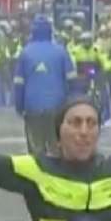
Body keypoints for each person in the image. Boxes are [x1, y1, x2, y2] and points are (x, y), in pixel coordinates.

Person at [14, 16, 74, 156]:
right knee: (57, 150)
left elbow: (19, 84)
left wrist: (19, 106)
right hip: (58, 108)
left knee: (36, 152)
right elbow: (72, 81)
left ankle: (37, 176)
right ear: (50, 32)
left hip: (33, 108)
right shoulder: (61, 52)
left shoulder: (26, 52)